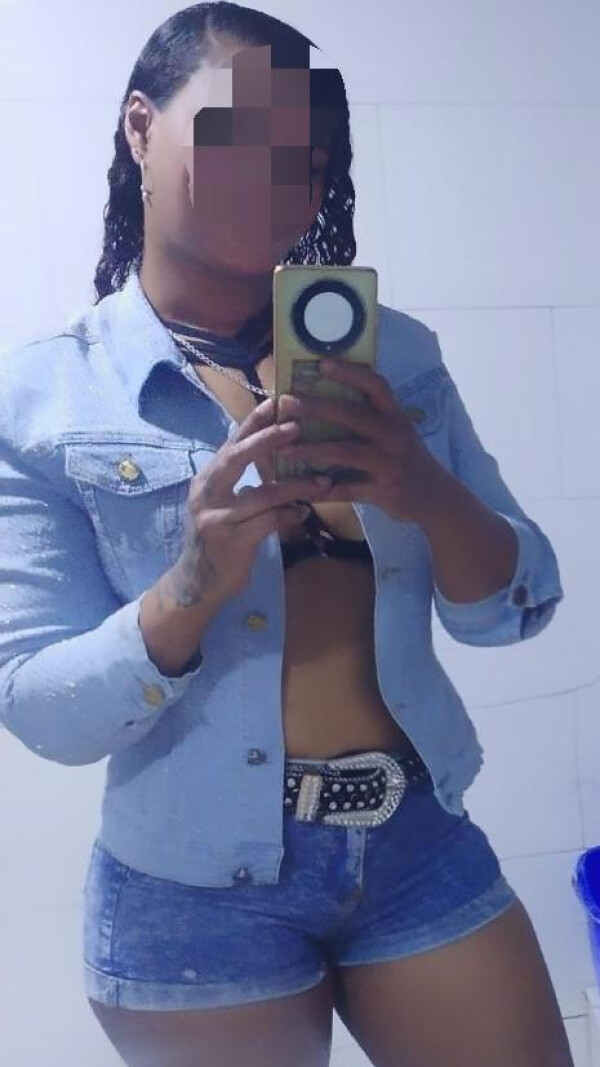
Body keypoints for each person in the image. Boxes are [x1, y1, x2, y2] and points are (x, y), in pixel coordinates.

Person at [0, 3, 572, 1065]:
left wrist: (424, 488)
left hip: (416, 841)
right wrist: (190, 583)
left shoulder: (397, 359)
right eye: (234, 133)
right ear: (140, 128)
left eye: (303, 156)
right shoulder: (46, 398)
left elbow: (517, 607)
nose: (273, 176)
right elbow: (40, 705)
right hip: (190, 889)